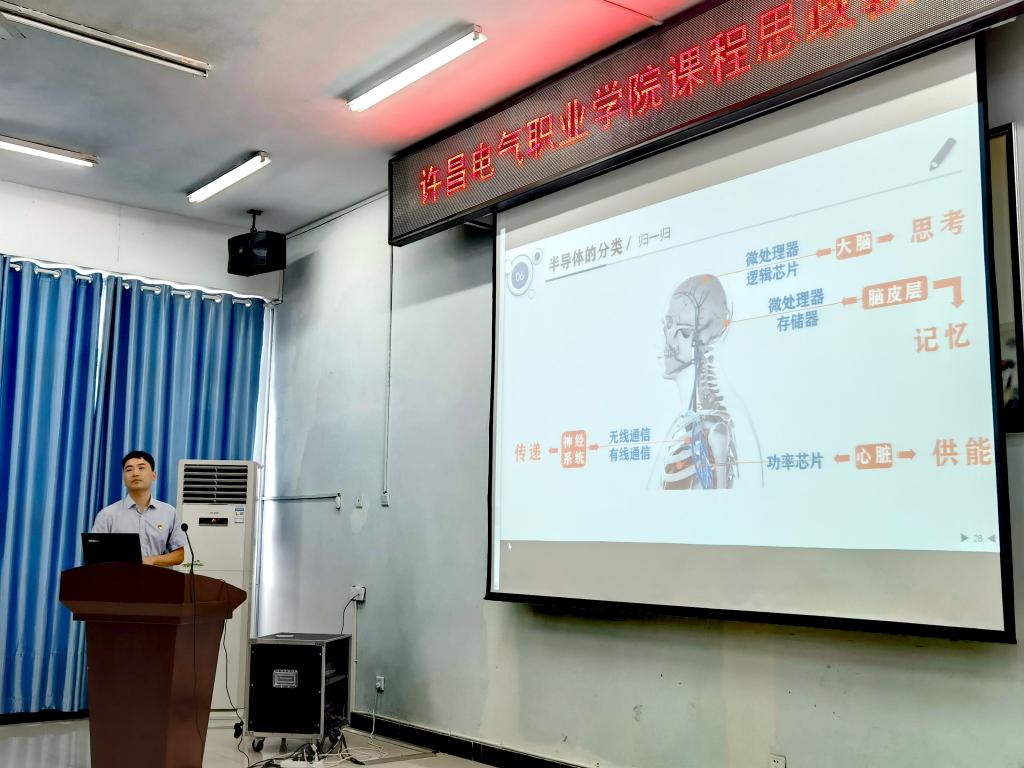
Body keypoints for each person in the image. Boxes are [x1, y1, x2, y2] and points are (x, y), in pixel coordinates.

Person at [91, 450, 186, 567]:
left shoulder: (169, 512)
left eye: (141, 468)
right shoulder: (107, 515)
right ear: (124, 479)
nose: (135, 473)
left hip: (155, 577)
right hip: (118, 577)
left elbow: (179, 555)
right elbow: (94, 555)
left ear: (154, 475)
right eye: (129, 470)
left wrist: (152, 560)